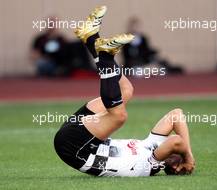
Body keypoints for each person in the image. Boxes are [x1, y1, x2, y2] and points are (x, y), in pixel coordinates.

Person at [54, 6, 195, 177]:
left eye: (177, 157)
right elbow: (176, 115)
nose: (178, 154)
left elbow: (176, 141)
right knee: (127, 90)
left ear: (174, 167)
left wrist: (187, 156)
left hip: (78, 149)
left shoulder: (151, 164)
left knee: (119, 116)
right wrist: (189, 157)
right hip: (82, 134)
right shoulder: (152, 145)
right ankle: (90, 38)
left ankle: (105, 58)